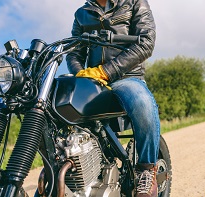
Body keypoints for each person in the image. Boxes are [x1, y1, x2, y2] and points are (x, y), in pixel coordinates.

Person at [66, 0, 159, 196]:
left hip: (126, 77)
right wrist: (81, 74)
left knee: (142, 102)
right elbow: (74, 52)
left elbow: (146, 42)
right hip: (93, 80)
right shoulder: (82, 12)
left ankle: (146, 170)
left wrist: (106, 71)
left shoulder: (134, 3)